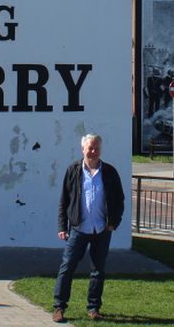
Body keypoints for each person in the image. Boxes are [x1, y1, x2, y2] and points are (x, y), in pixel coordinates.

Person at [52, 134, 125, 323]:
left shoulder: (109, 172)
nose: (93, 151)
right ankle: (59, 307)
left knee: (98, 270)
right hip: (78, 228)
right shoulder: (73, 170)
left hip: (101, 229)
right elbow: (64, 201)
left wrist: (113, 223)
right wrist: (62, 226)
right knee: (67, 267)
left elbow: (119, 200)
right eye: (90, 148)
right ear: (82, 149)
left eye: (96, 148)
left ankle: (94, 308)